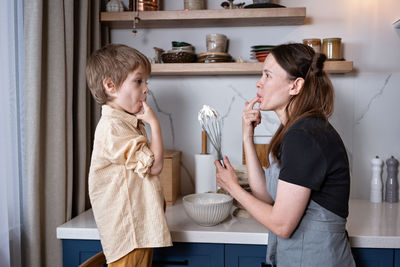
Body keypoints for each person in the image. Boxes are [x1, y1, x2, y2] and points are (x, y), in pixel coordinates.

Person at [215, 43, 356, 266]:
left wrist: (233, 187)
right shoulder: (294, 130)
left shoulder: (305, 136)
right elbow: (266, 196)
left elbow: (282, 224)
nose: (259, 83)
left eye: (268, 75)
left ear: (296, 86)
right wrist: (247, 138)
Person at [86, 44, 172, 267]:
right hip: (129, 236)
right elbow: (154, 167)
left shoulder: (125, 124)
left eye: (146, 82)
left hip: (137, 233)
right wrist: (155, 124)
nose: (146, 89)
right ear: (110, 86)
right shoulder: (113, 128)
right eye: (138, 81)